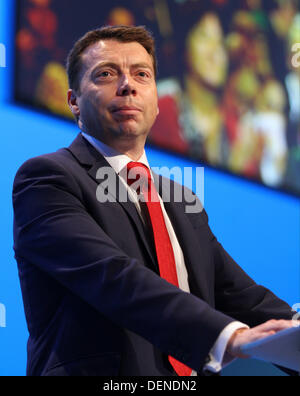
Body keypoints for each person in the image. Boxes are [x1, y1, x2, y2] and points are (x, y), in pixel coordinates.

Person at [13, 25, 297, 377]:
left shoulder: (180, 199)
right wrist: (228, 336)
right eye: (106, 74)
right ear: (73, 101)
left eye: (141, 74)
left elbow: (241, 295)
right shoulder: (47, 178)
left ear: (156, 101)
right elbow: (113, 277)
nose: (127, 85)